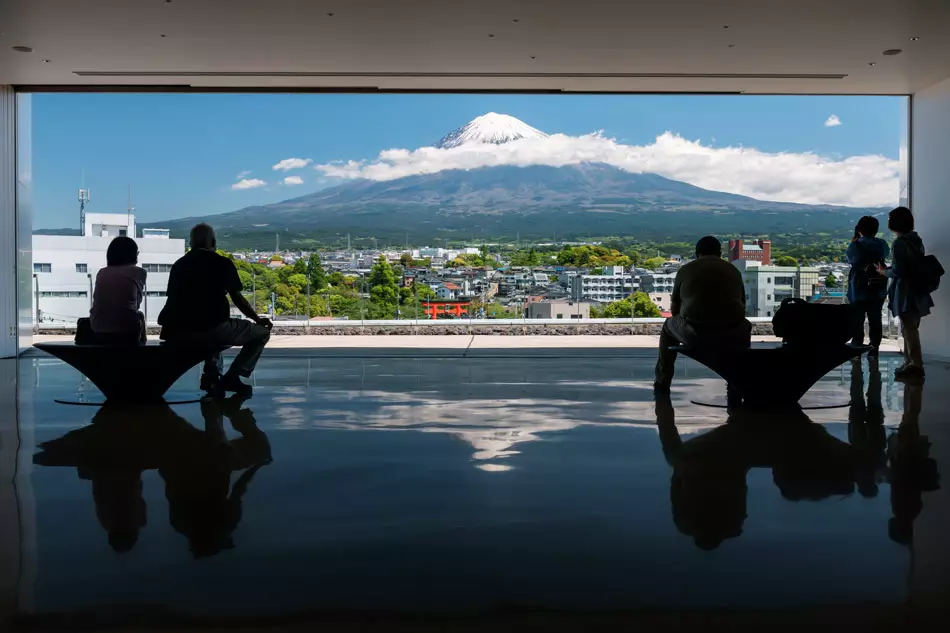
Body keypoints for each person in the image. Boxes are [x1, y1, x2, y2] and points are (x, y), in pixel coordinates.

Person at [159, 224, 272, 396]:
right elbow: (238, 299)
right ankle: (233, 376)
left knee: (212, 327)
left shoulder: (179, 265)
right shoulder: (221, 263)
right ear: (212, 241)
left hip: (178, 331)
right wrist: (258, 320)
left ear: (191, 242)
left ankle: (211, 375)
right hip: (211, 328)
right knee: (257, 333)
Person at [654, 236, 751, 395]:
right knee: (746, 325)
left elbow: (674, 310)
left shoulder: (686, 270)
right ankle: (736, 382)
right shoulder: (733, 270)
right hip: (732, 334)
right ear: (719, 253)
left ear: (697, 253)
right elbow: (742, 306)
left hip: (696, 333)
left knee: (667, 326)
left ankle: (663, 381)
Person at [875, 206, 934, 381]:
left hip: (906, 291)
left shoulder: (899, 243)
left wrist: (884, 272)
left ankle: (916, 364)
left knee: (909, 329)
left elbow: (900, 271)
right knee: (911, 326)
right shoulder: (917, 240)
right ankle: (910, 363)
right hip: (918, 290)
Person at [85, 236, 147, 345]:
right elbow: (136, 305)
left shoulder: (102, 273)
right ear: (133, 254)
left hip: (98, 327)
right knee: (139, 315)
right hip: (128, 329)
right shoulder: (139, 272)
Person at [846, 215, 889, 356]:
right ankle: (874, 348)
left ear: (860, 229)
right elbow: (886, 254)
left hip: (858, 286)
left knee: (858, 318)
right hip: (878, 286)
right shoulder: (882, 244)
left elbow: (851, 260)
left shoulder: (855, 245)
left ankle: (857, 346)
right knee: (875, 318)